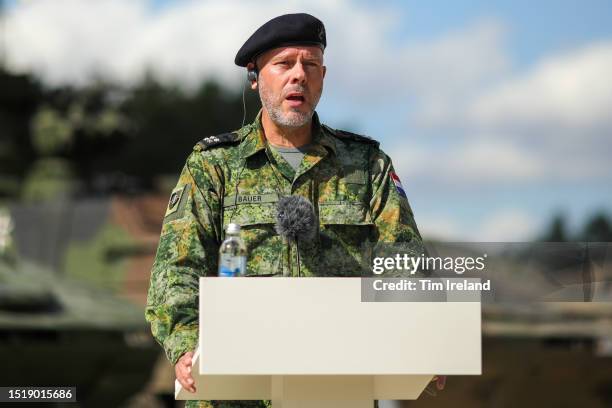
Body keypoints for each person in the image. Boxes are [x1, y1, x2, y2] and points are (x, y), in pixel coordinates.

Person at [145, 13, 424, 408]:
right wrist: (187, 347)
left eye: (310, 65)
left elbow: (404, 261)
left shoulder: (367, 165)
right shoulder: (214, 165)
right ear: (255, 76)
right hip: (232, 393)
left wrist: (419, 338)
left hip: (334, 389)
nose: (299, 76)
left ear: (323, 76)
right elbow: (177, 268)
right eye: (284, 64)